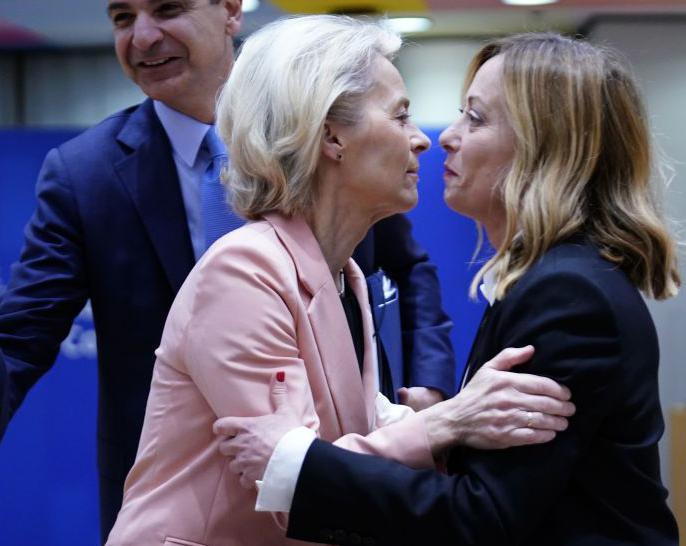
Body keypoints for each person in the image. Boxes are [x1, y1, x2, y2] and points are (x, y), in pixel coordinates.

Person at [106, 16, 575, 546]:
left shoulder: (346, 273)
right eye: (400, 116)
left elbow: (334, 449)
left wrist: (450, 418)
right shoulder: (243, 272)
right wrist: (450, 423)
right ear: (331, 135)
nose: (422, 140)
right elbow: (290, 484)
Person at [0, 0, 454, 539]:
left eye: (168, 9)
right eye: (122, 18)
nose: (143, 37)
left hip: (317, 483)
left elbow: (406, 268)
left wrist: (431, 397)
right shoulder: (86, 173)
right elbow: (18, 337)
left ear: (232, 12)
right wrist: (445, 428)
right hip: (194, 503)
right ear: (330, 139)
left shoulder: (346, 240)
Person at [216, 32, 683, 546]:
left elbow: (484, 517)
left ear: (544, 148)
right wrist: (442, 423)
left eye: (476, 118)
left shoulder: (567, 291)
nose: (443, 137)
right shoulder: (557, 278)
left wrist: (299, 470)